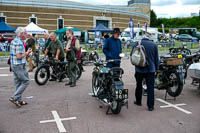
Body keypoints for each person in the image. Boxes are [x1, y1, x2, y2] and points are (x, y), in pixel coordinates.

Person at [134, 34, 159, 111]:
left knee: (139, 85)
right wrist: (156, 69)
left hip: (139, 69)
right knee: (150, 88)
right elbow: (156, 59)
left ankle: (138, 101)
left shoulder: (137, 43)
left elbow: (133, 55)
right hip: (150, 69)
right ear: (149, 38)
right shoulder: (154, 45)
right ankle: (150, 106)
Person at [9, 27, 32, 108]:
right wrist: (27, 53)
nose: (27, 34)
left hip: (14, 64)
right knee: (26, 81)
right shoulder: (19, 42)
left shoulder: (13, 41)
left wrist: (26, 53)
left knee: (18, 83)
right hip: (18, 65)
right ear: (21, 34)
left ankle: (19, 100)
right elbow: (19, 56)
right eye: (25, 33)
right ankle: (14, 98)